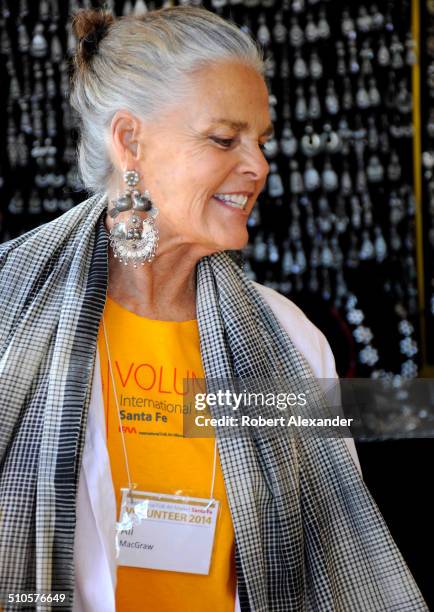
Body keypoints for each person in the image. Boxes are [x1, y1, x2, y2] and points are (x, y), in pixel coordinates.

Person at [0, 6, 428, 612]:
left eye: (261, 140)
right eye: (224, 139)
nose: (259, 166)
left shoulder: (289, 339)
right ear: (130, 141)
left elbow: (332, 554)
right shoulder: (10, 313)